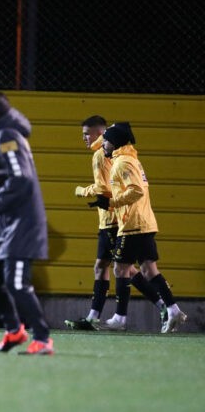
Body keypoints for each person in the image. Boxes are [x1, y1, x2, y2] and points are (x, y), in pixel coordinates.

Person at [0, 92, 53, 354]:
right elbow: (6, 182)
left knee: (16, 283)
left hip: (20, 226)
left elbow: (20, 179)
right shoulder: (0, 137)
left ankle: (42, 338)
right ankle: (15, 331)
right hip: (3, 227)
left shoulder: (7, 138)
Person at [66, 116, 165, 330]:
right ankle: (95, 317)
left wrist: (82, 191)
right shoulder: (109, 152)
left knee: (124, 269)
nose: (84, 138)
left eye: (87, 134)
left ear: (100, 133)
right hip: (111, 217)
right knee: (106, 266)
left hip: (111, 218)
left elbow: (104, 188)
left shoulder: (100, 155)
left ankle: (161, 305)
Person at [91, 122, 187, 333]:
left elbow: (136, 191)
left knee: (120, 269)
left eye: (106, 140)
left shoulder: (122, 162)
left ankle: (120, 318)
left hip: (133, 224)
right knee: (148, 270)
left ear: (114, 142)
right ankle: (173, 310)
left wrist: (111, 202)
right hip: (143, 222)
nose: (103, 144)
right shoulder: (129, 159)